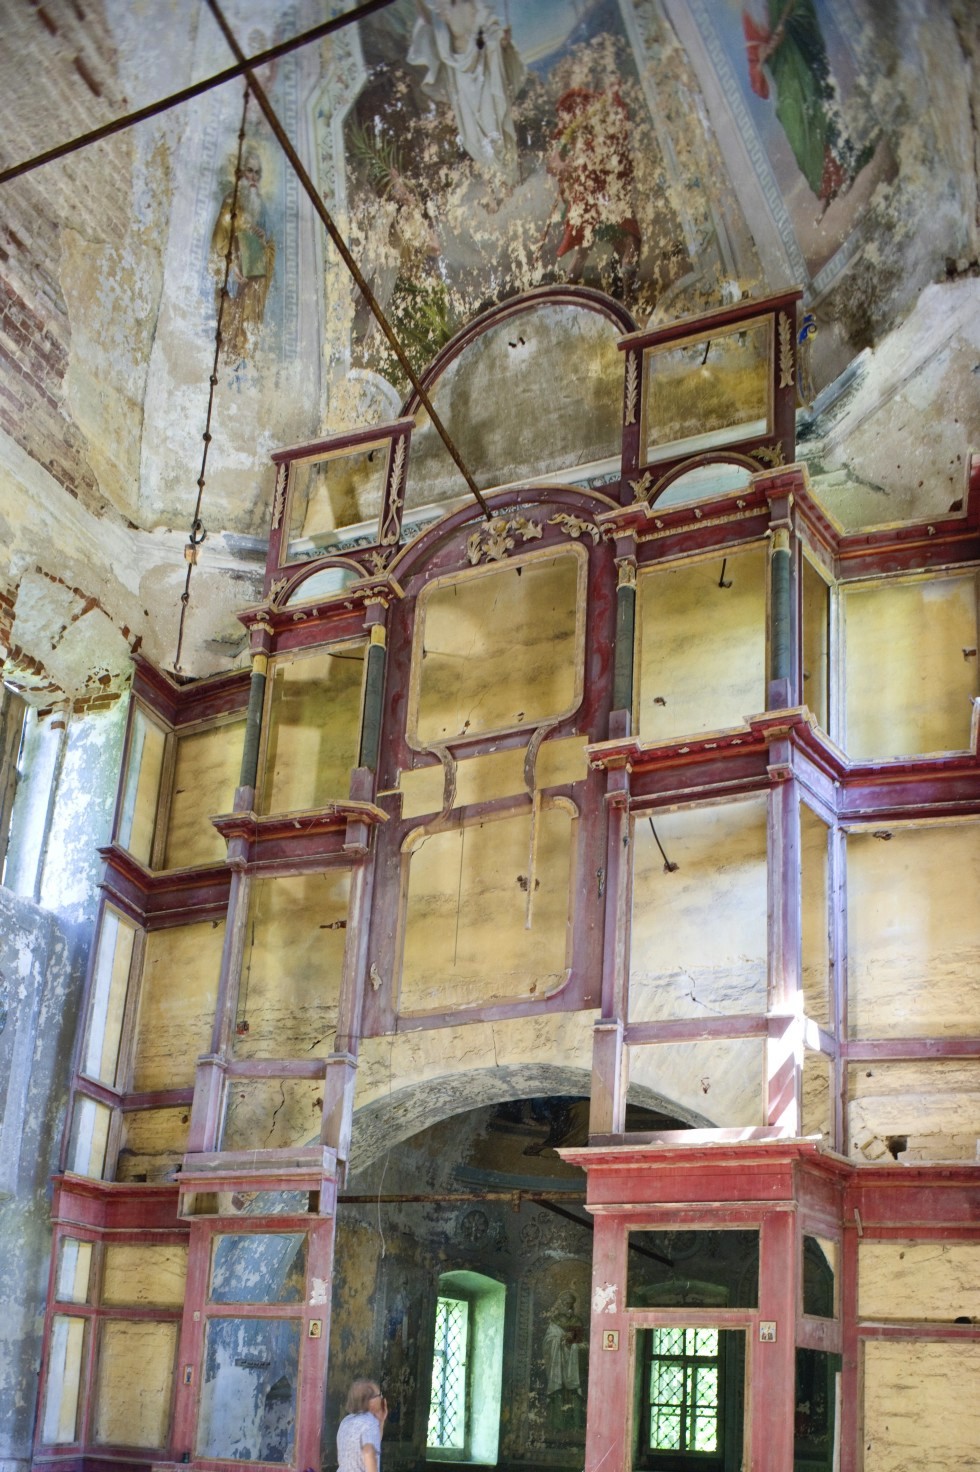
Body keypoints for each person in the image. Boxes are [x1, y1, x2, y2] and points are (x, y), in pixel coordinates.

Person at [407, 0, 526, 185]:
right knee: (471, 135)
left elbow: (489, 26)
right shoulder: (439, 12)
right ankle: (497, 182)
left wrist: (499, 40)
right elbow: (429, 21)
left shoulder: (470, 5)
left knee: (493, 123)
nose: (442, 12)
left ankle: (509, 178)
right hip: (459, 74)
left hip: (483, 69)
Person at [210, 148, 276, 361]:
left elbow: (270, 246)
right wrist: (231, 267)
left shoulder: (262, 208)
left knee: (246, 337)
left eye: (257, 173)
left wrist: (262, 240)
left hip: (252, 284)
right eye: (250, 171)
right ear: (240, 173)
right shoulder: (231, 202)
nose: (254, 177)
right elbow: (219, 241)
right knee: (228, 332)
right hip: (233, 278)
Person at [542, 1289, 585, 1428]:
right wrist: (559, 1339)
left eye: (570, 1304)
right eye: (565, 1303)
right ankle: (557, 1425)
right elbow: (548, 1341)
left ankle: (576, 1425)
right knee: (558, 1392)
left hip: (572, 1362)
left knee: (574, 1392)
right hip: (557, 1361)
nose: (568, 1306)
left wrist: (571, 1341)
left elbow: (580, 1342)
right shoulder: (555, 1320)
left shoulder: (577, 1321)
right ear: (561, 1304)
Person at [336, 1379, 387, 1472]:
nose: (382, 1398)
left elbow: (373, 1442)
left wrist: (381, 1421)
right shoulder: (370, 1422)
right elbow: (368, 1451)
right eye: (379, 1395)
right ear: (371, 1401)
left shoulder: (346, 1421)